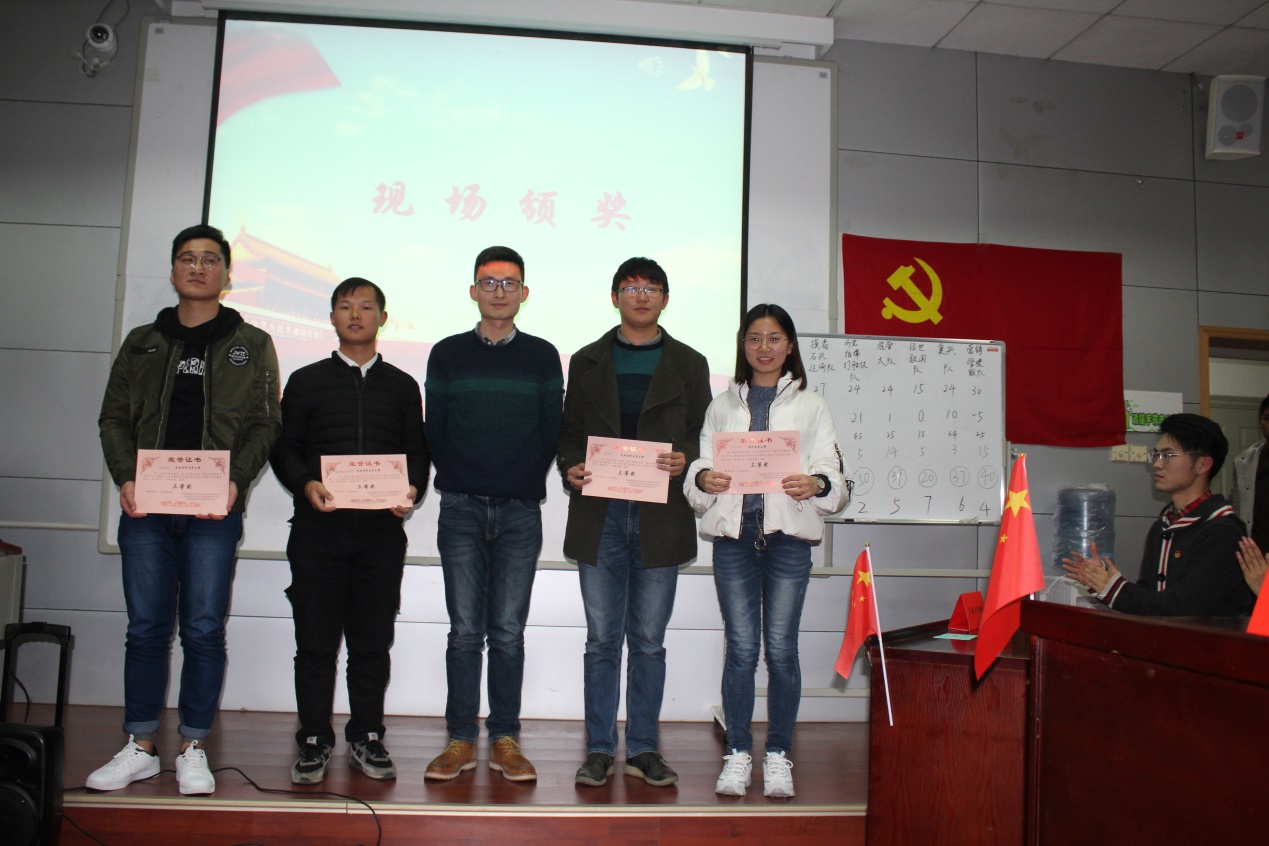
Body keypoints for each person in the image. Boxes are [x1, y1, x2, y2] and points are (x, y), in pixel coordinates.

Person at [92, 224, 282, 795]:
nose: (198, 268)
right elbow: (113, 418)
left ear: (227, 273)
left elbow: (265, 423)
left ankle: (194, 746)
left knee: (202, 629)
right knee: (146, 629)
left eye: (209, 259)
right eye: (187, 258)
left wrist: (235, 481)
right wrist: (126, 476)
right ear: (174, 270)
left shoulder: (253, 343)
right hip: (146, 508)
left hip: (212, 513)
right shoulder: (142, 342)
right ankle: (141, 745)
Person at [558, 257, 712, 788]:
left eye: (651, 288)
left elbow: (703, 433)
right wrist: (571, 465)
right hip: (599, 513)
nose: (641, 296)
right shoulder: (587, 360)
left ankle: (644, 748)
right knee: (602, 639)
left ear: (665, 299)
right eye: (631, 288)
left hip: (660, 514)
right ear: (614, 297)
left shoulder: (690, 362)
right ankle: (599, 748)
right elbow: (569, 432)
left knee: (648, 640)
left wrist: (687, 457)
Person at [269, 278, 429, 784]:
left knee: (371, 642)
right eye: (345, 306)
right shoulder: (306, 381)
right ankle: (314, 738)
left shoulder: (402, 386)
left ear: (383, 317)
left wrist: (412, 490)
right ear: (332, 317)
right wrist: (306, 484)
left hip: (380, 535)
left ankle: (367, 734)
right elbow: (285, 448)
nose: (355, 314)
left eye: (366, 307)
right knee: (315, 642)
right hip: (318, 532)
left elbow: (417, 452)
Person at [684, 304, 847, 798]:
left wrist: (816, 483)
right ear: (743, 345)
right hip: (734, 540)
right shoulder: (721, 405)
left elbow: (834, 478)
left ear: (790, 346)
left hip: (788, 541)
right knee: (740, 649)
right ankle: (737, 752)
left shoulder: (812, 405)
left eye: (775, 338)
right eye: (754, 338)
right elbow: (698, 475)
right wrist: (703, 479)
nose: (764, 347)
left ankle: (778, 755)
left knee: (780, 649)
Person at [422, 247, 563, 783]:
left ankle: (505, 738)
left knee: (507, 632)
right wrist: (464, 475)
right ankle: (460, 739)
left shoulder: (543, 355)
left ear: (524, 293)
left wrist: (517, 480)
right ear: (473, 290)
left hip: (521, 510)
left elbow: (551, 431)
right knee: (464, 632)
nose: (499, 291)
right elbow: (435, 429)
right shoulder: (446, 353)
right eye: (489, 282)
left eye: (509, 283)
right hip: (460, 507)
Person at [1063, 413, 1254, 616]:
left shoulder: (1222, 532)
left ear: (1203, 465)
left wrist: (1115, 590)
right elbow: (1149, 595)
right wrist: (1103, 582)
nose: (1157, 464)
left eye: (1167, 456)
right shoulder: (1164, 525)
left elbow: (1182, 606)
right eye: (1155, 455)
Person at [1230, 393, 1269, 557]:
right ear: (1260, 423)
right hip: (1255, 558)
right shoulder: (1245, 463)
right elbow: (1237, 510)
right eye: (1267, 418)